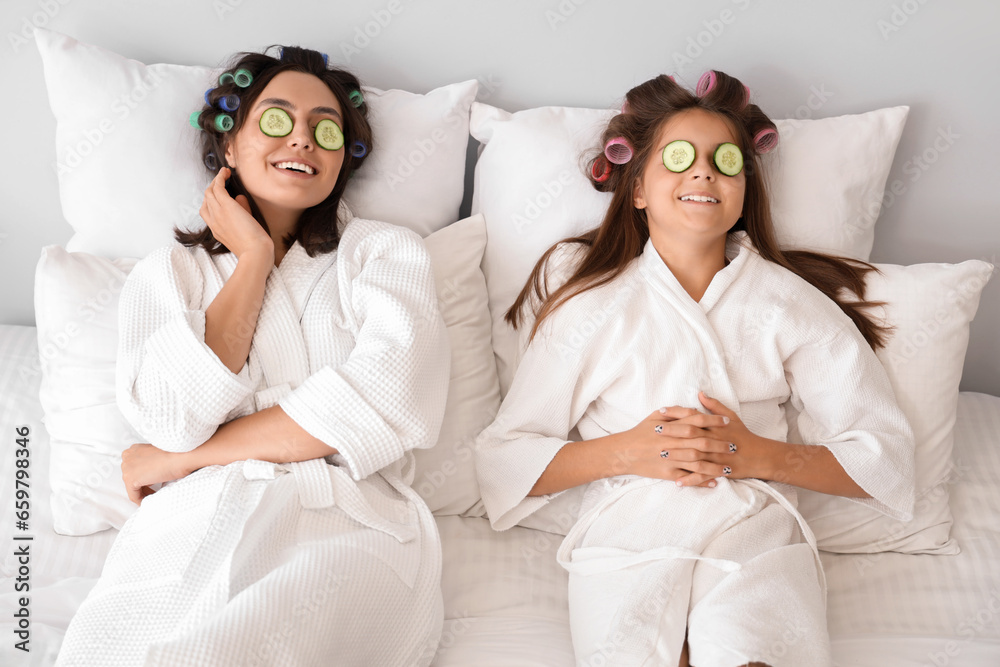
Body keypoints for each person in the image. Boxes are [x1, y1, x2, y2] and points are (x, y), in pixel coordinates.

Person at [475, 71, 915, 667]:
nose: (703, 172)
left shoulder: (791, 304)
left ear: (743, 188)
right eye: (679, 157)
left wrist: (757, 456)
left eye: (724, 160)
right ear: (637, 189)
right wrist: (630, 451)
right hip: (631, 535)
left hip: (752, 530)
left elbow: (884, 458)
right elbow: (505, 457)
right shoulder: (590, 307)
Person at [56, 46, 450, 667]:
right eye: (275, 119)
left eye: (327, 129)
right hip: (191, 519)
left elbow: (390, 398)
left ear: (342, 161)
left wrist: (180, 459)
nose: (303, 138)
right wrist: (254, 261)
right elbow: (168, 419)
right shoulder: (171, 273)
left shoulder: (385, 255)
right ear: (230, 145)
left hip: (340, 520)